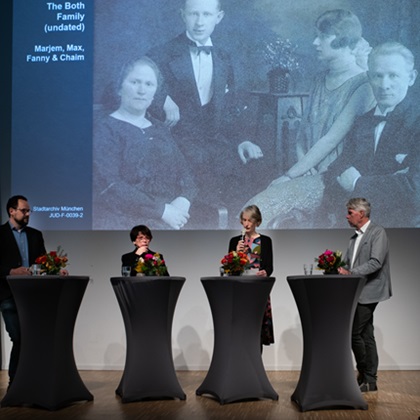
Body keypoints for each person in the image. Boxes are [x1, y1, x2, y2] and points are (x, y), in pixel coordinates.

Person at [246, 9, 375, 228]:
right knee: (256, 211)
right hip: (307, 170)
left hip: (334, 179)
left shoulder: (363, 85)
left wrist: (289, 175)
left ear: (344, 40)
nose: (315, 42)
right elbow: (303, 133)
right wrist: (303, 170)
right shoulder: (319, 79)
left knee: (257, 209)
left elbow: (331, 139)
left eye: (323, 36)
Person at [147, 0, 265, 225]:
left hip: (214, 142)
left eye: (207, 15)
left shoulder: (223, 57)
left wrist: (242, 140)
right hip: (175, 142)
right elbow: (121, 87)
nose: (200, 22)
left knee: (247, 176)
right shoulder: (161, 54)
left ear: (218, 17)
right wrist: (162, 99)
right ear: (183, 15)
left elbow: (229, 109)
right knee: (201, 183)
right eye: (194, 14)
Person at [93, 57, 197, 230]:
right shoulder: (104, 129)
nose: (142, 90)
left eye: (149, 84)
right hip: (123, 220)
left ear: (155, 92)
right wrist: (162, 211)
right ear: (120, 88)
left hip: (171, 217)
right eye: (135, 82)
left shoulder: (159, 128)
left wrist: (184, 199)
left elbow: (185, 174)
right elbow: (110, 185)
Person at [323, 42, 420, 228]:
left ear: (411, 77)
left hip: (404, 228)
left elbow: (415, 190)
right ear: (369, 77)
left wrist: (357, 183)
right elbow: (335, 170)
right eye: (378, 76)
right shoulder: (362, 122)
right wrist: (394, 181)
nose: (384, 85)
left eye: (393, 76)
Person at [337, 198, 392, 392]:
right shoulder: (354, 238)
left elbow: (376, 262)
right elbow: (347, 264)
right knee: (366, 334)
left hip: (370, 290)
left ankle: (366, 374)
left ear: (362, 213)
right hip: (356, 291)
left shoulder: (378, 232)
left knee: (354, 334)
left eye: (350, 212)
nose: (347, 216)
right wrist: (333, 266)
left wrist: (350, 273)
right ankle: (369, 379)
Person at [0, 195, 47, 387]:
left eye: (29, 211)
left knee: (31, 337)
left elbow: (42, 261)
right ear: (12, 211)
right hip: (8, 294)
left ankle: (29, 379)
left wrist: (52, 268)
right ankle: (15, 381)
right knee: (18, 336)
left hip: (31, 295)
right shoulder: (0, 234)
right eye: (24, 210)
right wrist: (11, 271)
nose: (28, 214)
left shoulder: (35, 235)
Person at [228, 205, 274, 350]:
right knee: (241, 325)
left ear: (257, 222)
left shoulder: (265, 241)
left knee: (258, 326)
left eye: (250, 220)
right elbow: (229, 269)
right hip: (241, 288)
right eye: (244, 220)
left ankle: (256, 362)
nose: (246, 224)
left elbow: (269, 267)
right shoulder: (235, 241)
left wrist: (265, 272)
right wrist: (236, 253)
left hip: (258, 288)